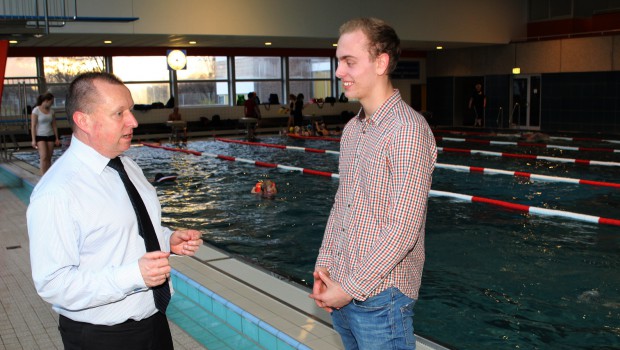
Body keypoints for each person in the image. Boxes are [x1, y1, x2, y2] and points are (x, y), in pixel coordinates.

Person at [27, 72, 203, 350]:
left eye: (130, 110)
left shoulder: (126, 166)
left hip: (154, 321)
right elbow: (53, 283)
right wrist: (133, 275)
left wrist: (167, 238)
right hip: (102, 337)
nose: (133, 121)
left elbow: (131, 228)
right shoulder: (58, 192)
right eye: (119, 113)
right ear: (83, 120)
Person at [309, 18, 437, 349]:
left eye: (349, 62)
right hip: (343, 284)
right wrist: (325, 264)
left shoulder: (407, 130)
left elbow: (404, 229)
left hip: (382, 297)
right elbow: (343, 203)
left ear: (381, 62)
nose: (339, 72)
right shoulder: (353, 130)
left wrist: (350, 287)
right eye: (338, 61)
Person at [30, 92, 60, 175]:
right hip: (40, 136)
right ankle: (43, 176)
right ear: (46, 101)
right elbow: (33, 126)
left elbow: (54, 125)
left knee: (49, 157)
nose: (52, 104)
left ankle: (48, 175)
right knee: (43, 157)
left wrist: (57, 138)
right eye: (51, 102)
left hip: (50, 135)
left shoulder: (52, 111)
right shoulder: (36, 110)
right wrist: (33, 140)